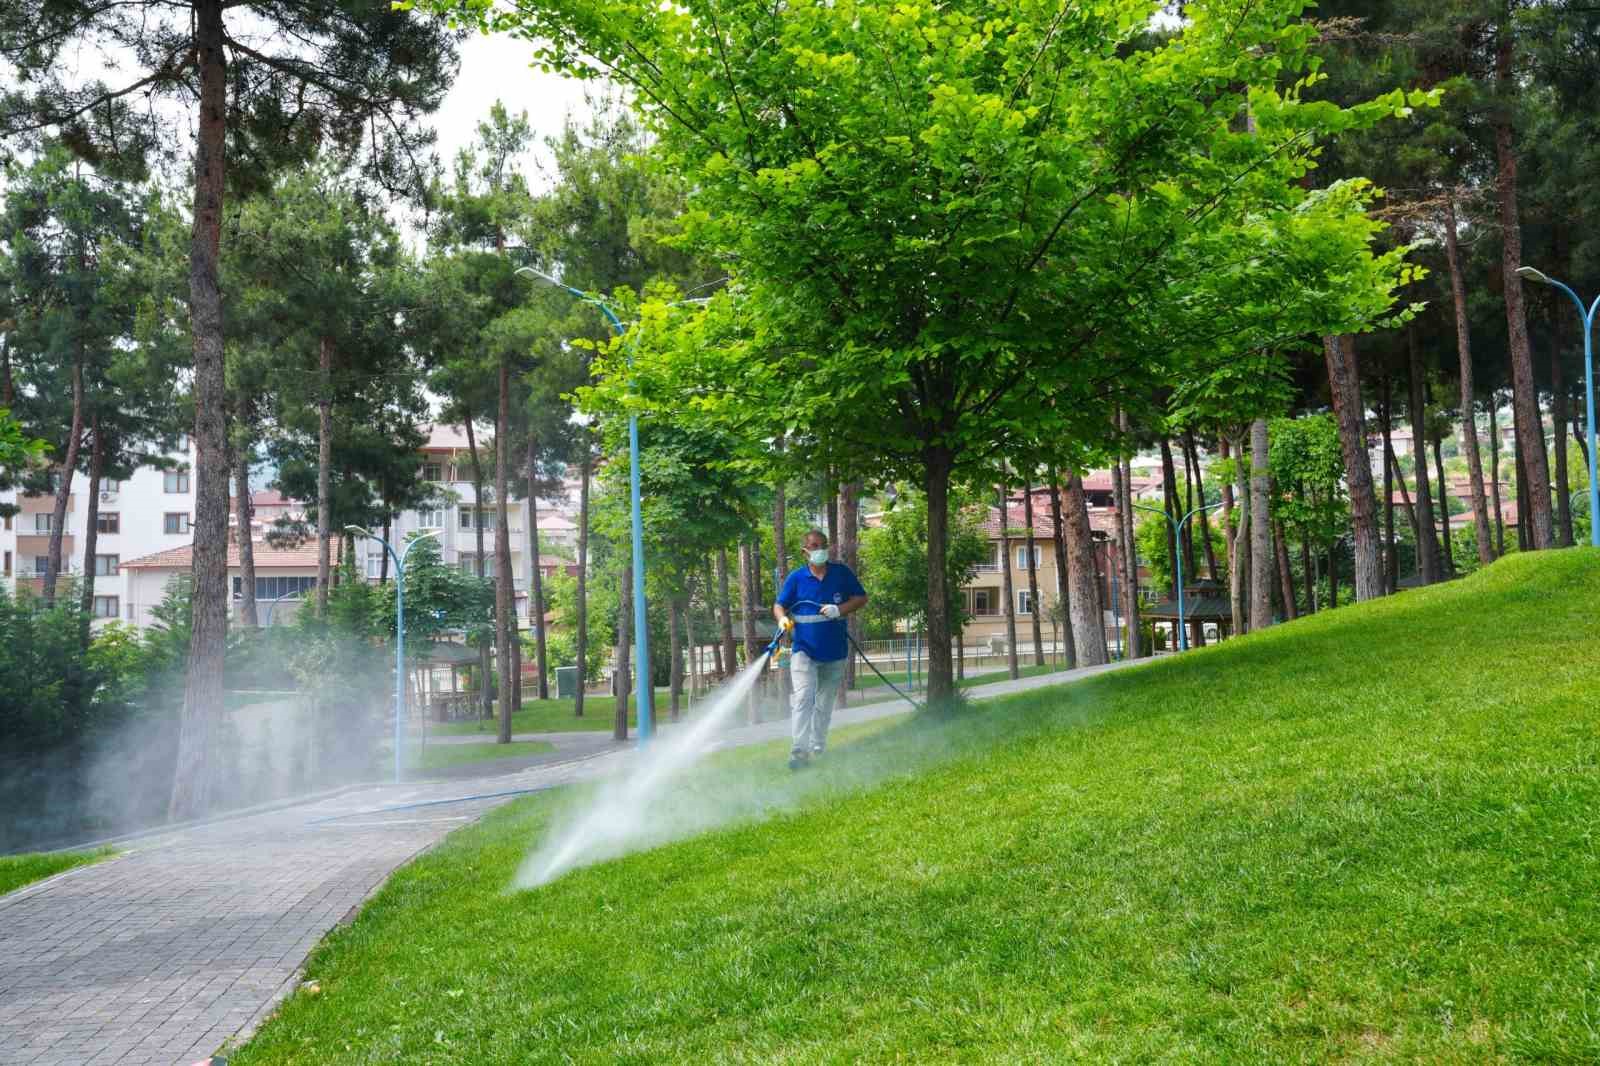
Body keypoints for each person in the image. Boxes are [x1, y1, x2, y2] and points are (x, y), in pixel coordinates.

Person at [774, 528, 868, 770]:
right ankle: (798, 750)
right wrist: (782, 619)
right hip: (804, 650)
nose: (820, 550)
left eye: (823, 545)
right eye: (814, 546)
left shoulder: (841, 574)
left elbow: (861, 598)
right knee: (804, 697)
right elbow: (779, 605)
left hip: (835, 652)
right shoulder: (796, 578)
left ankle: (817, 744)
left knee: (825, 703)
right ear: (805, 551)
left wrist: (840, 609)